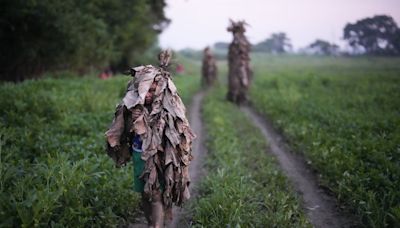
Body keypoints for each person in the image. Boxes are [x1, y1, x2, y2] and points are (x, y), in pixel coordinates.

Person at [105, 50, 195, 227]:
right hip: (140, 155)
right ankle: (151, 223)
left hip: (161, 156)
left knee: (155, 195)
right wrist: (133, 117)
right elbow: (125, 131)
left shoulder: (170, 109)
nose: (147, 95)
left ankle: (156, 225)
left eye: (152, 91)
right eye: (144, 90)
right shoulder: (133, 108)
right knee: (145, 194)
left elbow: (178, 134)